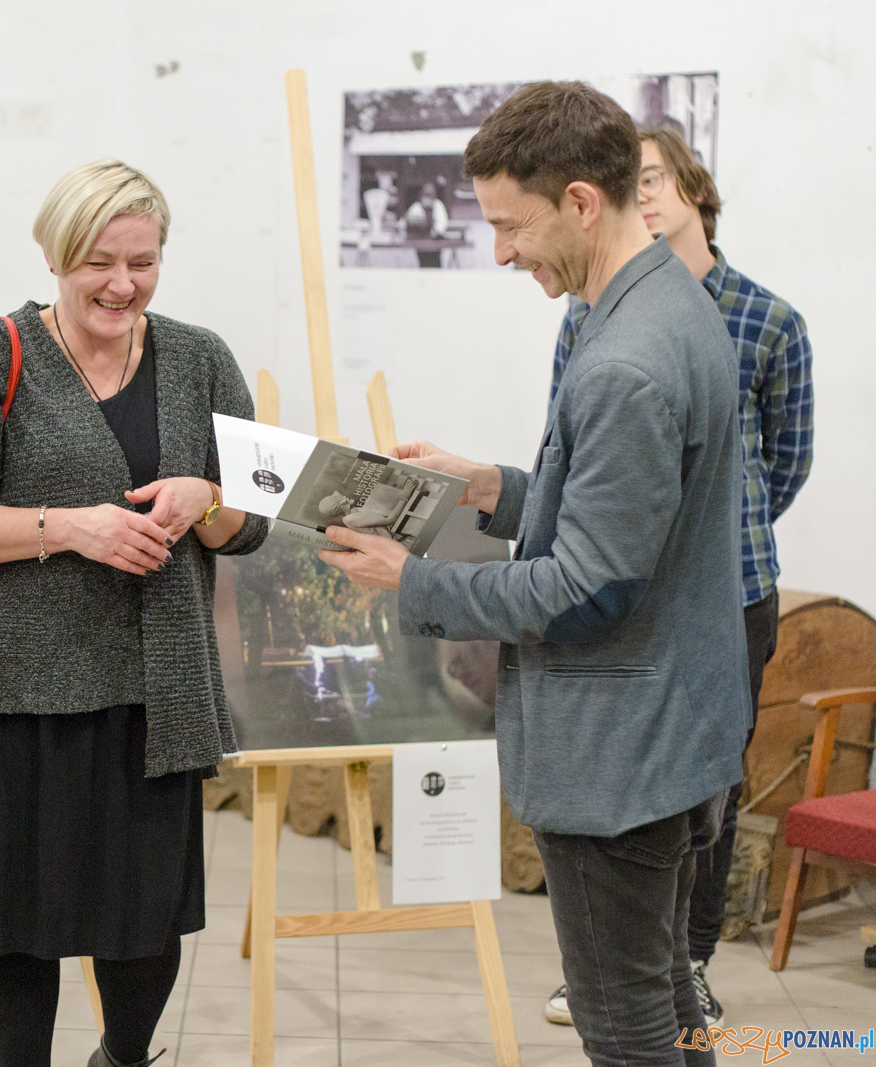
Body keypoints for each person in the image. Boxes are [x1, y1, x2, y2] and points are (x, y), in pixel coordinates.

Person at [318, 82, 749, 1067]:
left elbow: (585, 589)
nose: (502, 251)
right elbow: (638, 510)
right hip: (675, 724)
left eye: (510, 226)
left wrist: (408, 578)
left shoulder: (624, 359)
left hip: (618, 750)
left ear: (582, 202)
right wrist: (490, 487)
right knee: (667, 992)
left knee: (625, 1017)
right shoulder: (668, 303)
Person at [0, 159, 268, 1067]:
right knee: (14, 924)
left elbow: (251, 523)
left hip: (152, 694)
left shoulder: (200, 358)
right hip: (8, 693)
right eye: (100, 261)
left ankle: (123, 1059)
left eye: (143, 261)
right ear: (57, 256)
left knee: (143, 921)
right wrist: (70, 529)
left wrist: (204, 500)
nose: (122, 284)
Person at [541, 125, 814, 1029]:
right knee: (623, 776)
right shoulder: (590, 313)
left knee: (709, 782)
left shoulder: (767, 320)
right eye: (633, 182)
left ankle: (684, 964)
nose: (644, 196)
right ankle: (621, 963)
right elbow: (564, 451)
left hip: (734, 591)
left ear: (695, 190)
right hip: (622, 584)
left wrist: (705, 536)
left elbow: (787, 459)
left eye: (657, 178)